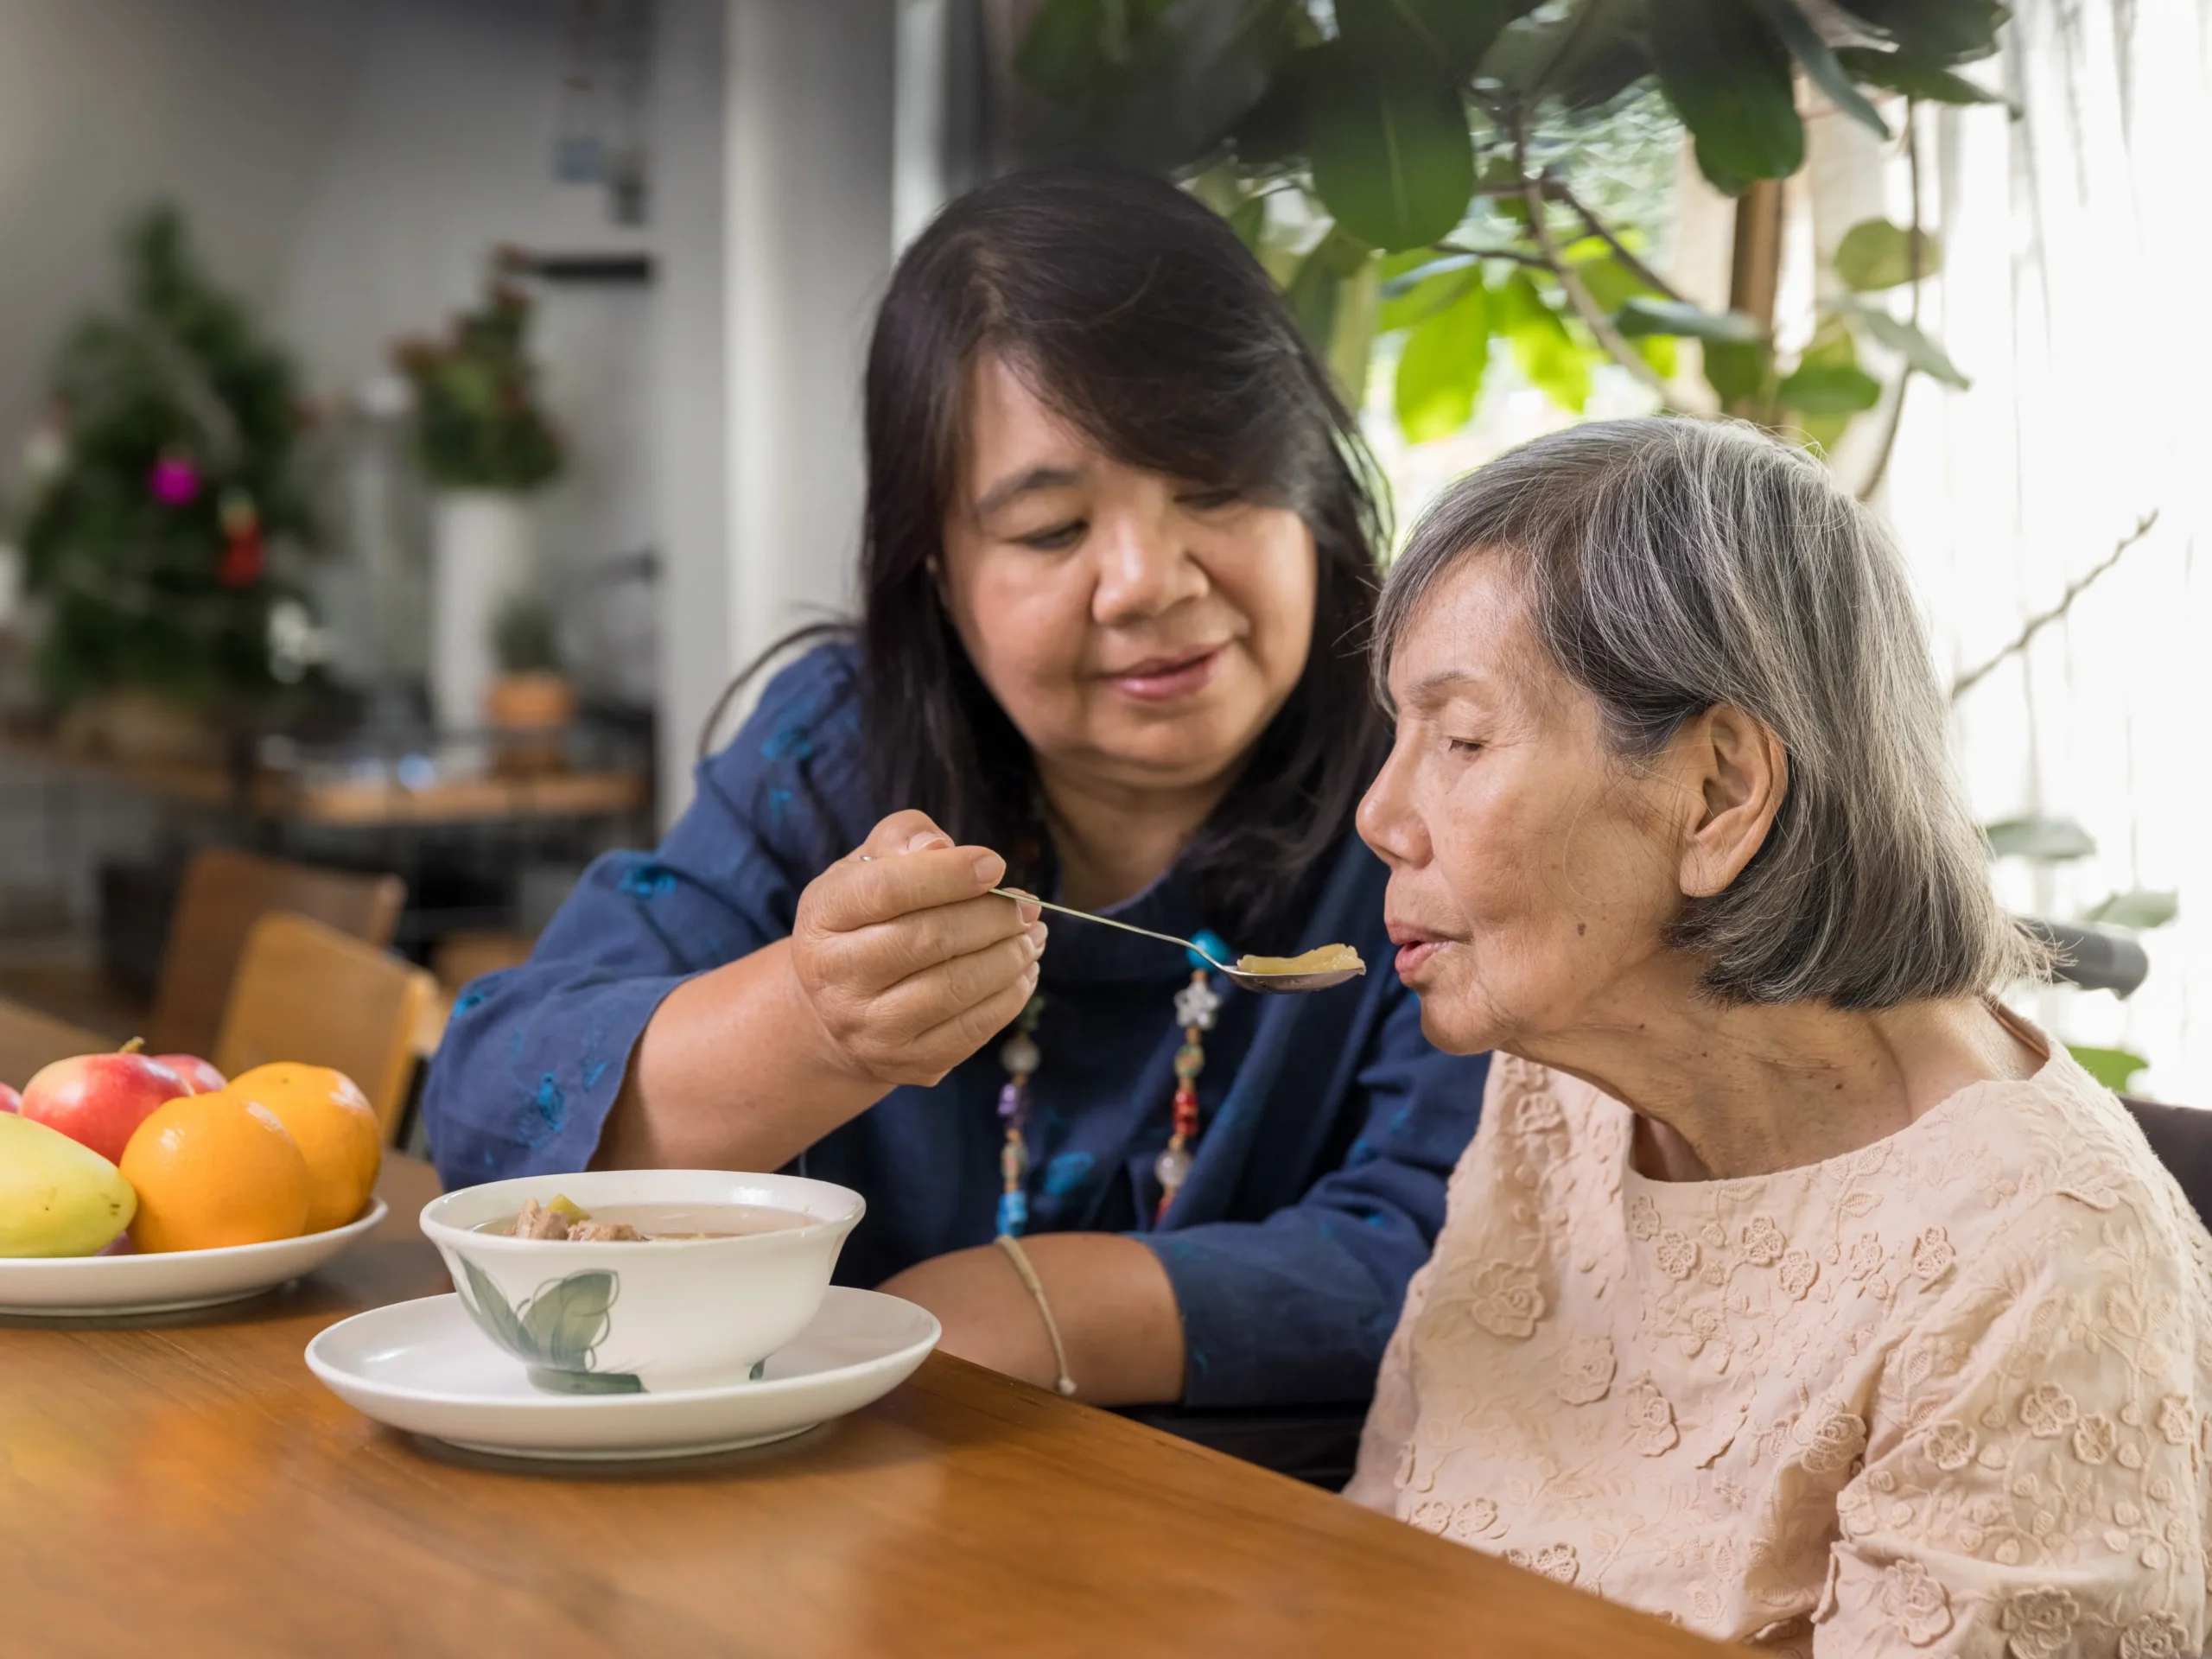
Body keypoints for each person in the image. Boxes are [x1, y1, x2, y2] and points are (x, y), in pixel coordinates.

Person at [419, 166, 1490, 1411]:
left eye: (1214, 486)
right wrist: (813, 1024)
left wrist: (1027, 1308)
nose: (1146, 579)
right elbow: (493, 1117)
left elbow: (1462, 1241)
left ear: (1312, 492)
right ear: (935, 569)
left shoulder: (1441, 786)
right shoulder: (837, 751)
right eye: (1049, 531)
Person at [1345, 417, 2212, 1656]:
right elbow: (1383, 1551)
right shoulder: (1564, 1097)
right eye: (1401, 737)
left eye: (1463, 740)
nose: (1382, 813)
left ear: (1718, 792)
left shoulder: (2038, 1263)